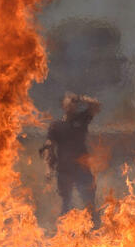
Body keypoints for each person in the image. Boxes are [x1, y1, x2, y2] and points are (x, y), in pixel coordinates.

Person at [40, 92, 101, 226]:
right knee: (66, 202)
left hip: (82, 168)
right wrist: (48, 168)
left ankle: (96, 230)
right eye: (70, 101)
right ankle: (63, 234)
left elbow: (96, 106)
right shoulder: (56, 126)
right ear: (63, 105)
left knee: (89, 200)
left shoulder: (82, 118)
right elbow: (49, 147)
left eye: (74, 102)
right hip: (64, 170)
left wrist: (81, 98)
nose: (73, 104)